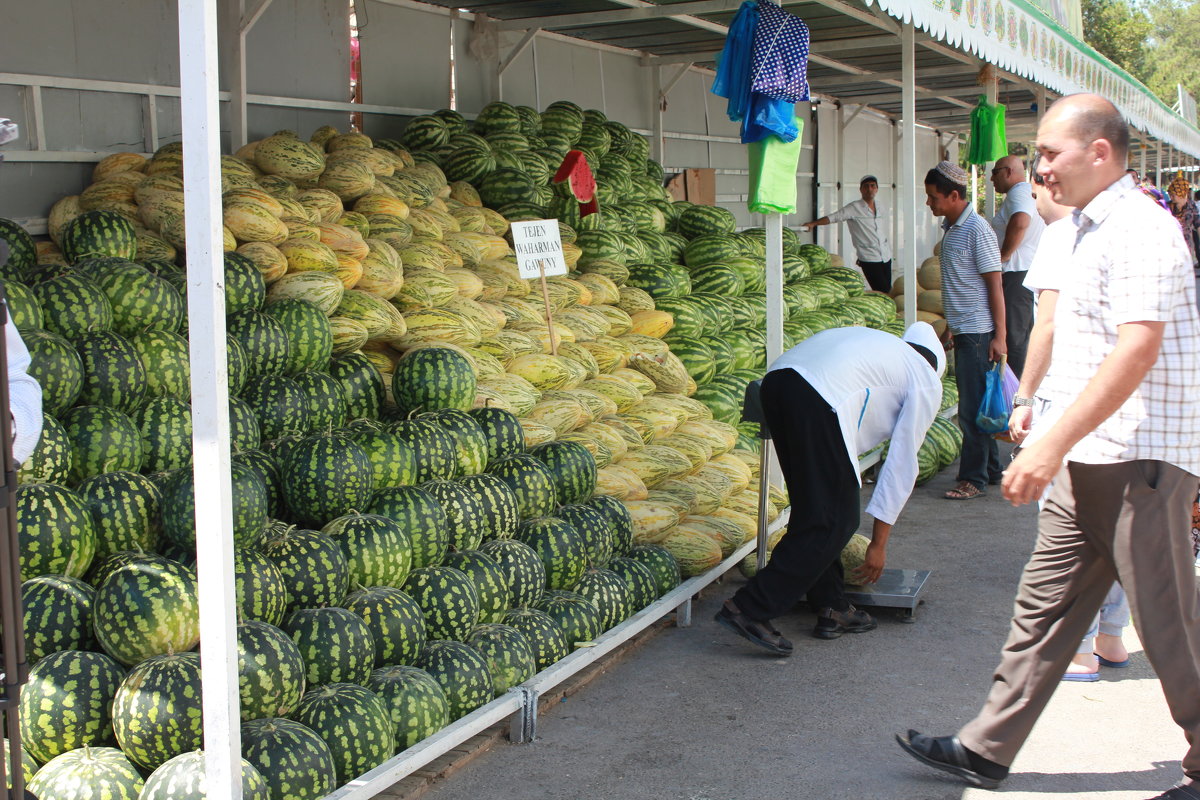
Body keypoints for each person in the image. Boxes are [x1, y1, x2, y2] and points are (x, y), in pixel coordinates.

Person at [896, 94, 1200, 800]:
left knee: (1169, 621)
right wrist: (1030, 403)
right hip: (1085, 459)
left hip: (1140, 460)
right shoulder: (1078, 232)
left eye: (1050, 155)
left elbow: (1136, 352)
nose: (1038, 170)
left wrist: (1047, 443)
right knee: (1044, 608)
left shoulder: (1144, 231)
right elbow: (1054, 325)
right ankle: (986, 747)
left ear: (1100, 151)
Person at [714, 323, 944, 653]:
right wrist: (879, 543)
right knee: (837, 519)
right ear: (935, 365)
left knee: (816, 511)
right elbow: (901, 463)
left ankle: (833, 606)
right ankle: (749, 608)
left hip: (777, 383)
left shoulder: (885, 348)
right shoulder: (925, 379)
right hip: (817, 396)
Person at [1026, 162, 1132, 684]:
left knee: (1067, 530)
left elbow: (1046, 322)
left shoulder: (1062, 236)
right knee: (1110, 527)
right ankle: (1111, 638)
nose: (1036, 191)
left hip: (1070, 401)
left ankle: (1081, 649)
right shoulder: (1137, 228)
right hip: (1119, 402)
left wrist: (1023, 397)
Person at [923, 160, 1006, 501]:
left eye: (933, 197)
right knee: (978, 406)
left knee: (971, 410)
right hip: (965, 331)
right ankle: (991, 470)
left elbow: (995, 285)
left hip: (977, 332)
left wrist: (1000, 336)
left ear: (954, 195)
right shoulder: (953, 227)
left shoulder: (977, 230)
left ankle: (973, 478)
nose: (930, 203)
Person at [989, 155, 1044, 378]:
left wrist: (1003, 256)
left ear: (1008, 172)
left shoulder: (1019, 193)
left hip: (1016, 274)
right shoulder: (1021, 193)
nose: (992, 178)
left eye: (995, 172)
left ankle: (1015, 393)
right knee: (1019, 335)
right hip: (1021, 273)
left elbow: (1021, 221)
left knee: (1014, 339)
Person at [801, 175, 893, 292]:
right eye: (866, 186)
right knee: (882, 290)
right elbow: (834, 217)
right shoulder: (854, 207)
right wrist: (813, 223)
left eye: (872, 186)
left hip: (886, 255)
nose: (869, 189)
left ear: (876, 189)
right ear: (861, 190)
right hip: (869, 257)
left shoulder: (880, 206)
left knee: (888, 289)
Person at [1168, 172, 1199, 265]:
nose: (1171, 197)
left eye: (1173, 195)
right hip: (1171, 245)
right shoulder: (1168, 206)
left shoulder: (1192, 205)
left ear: (1181, 193)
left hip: (1186, 246)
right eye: (1170, 194)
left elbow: (1198, 224)